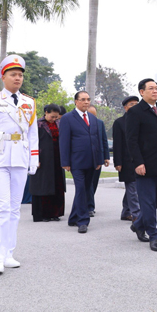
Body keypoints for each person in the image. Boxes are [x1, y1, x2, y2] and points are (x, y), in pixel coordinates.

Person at [0, 55, 39, 275]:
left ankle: (9, 252)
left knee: (14, 208)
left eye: (20, 75)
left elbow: (32, 134)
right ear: (4, 77)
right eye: (13, 74)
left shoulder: (29, 102)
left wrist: (34, 159)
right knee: (1, 207)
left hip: (20, 157)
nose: (18, 78)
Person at [125, 78, 157, 252]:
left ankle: (139, 223)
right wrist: (138, 162)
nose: (155, 91)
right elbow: (131, 141)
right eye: (151, 88)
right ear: (142, 92)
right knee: (147, 202)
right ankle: (154, 235)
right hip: (144, 166)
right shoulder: (135, 112)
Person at [59, 91, 103, 234]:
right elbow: (64, 141)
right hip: (76, 161)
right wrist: (65, 161)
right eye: (83, 99)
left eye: (88, 99)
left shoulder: (93, 118)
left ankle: (73, 217)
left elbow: (97, 140)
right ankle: (82, 221)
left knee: (85, 189)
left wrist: (99, 160)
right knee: (81, 189)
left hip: (92, 161)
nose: (86, 102)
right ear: (76, 102)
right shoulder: (67, 118)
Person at [31, 104, 65, 222]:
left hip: (57, 158)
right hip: (43, 158)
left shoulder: (59, 123)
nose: (54, 119)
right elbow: (32, 142)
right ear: (46, 112)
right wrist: (35, 159)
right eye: (52, 116)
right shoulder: (37, 124)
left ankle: (55, 213)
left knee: (56, 185)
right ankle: (42, 214)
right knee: (43, 185)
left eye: (56, 117)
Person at [113, 96, 140, 222]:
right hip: (126, 161)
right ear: (125, 107)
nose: (134, 106)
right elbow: (117, 144)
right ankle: (136, 215)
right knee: (133, 188)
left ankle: (126, 212)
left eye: (136, 103)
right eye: (131, 104)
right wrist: (117, 162)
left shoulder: (142, 120)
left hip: (140, 160)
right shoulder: (119, 123)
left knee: (133, 188)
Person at [86, 105, 111, 217]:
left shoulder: (100, 123)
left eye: (94, 115)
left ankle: (88, 202)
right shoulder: (80, 123)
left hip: (98, 158)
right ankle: (89, 206)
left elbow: (104, 140)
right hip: (85, 158)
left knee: (94, 182)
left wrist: (106, 157)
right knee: (88, 183)